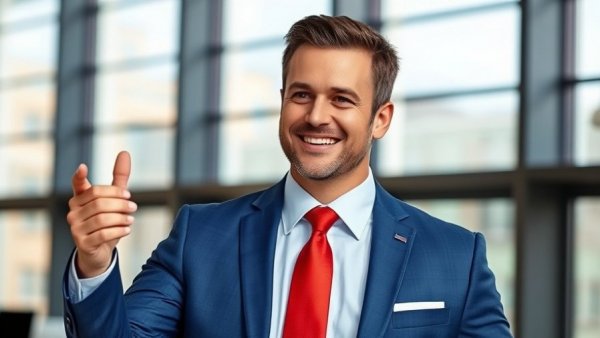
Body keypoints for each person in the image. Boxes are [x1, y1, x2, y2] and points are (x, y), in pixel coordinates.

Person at [62, 14, 512, 338]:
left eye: (341, 99)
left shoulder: (456, 256)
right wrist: (96, 264)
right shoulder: (201, 236)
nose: (317, 116)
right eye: (302, 94)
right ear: (282, 100)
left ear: (381, 119)